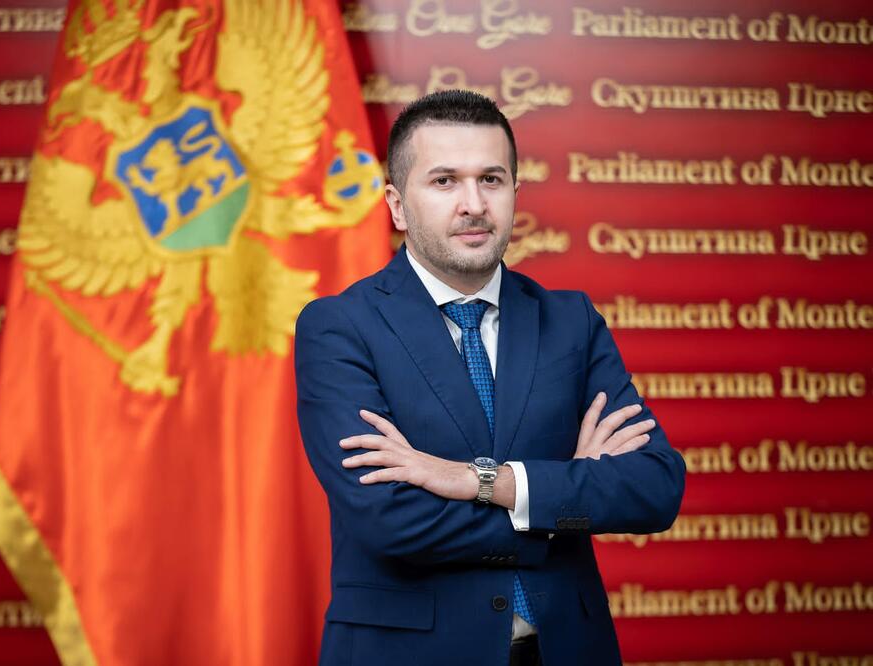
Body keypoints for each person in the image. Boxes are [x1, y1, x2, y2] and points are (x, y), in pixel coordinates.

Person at [294, 90, 685, 666]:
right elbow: (388, 520)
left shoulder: (570, 321)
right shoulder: (340, 327)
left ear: (515, 193)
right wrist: (556, 504)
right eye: (445, 181)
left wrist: (480, 481)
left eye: (491, 180)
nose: (474, 204)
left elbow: (653, 488)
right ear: (397, 205)